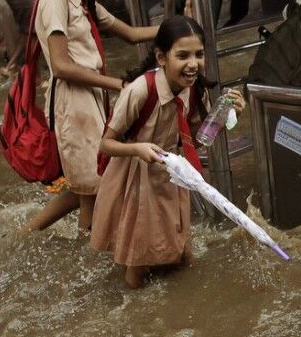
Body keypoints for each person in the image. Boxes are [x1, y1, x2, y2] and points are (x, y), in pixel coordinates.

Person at [23, 0, 163, 233]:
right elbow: (60, 66)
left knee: (85, 188)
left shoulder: (82, 0)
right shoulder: (54, 0)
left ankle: (22, 237)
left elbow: (131, 34)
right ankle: (94, 261)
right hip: (75, 103)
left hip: (91, 98)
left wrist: (178, 25)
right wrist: (116, 85)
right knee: (97, 189)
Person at [92, 15, 246, 288]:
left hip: (173, 176)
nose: (193, 64)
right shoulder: (141, 90)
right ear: (161, 58)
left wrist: (224, 115)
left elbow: (195, 141)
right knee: (137, 261)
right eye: (182, 55)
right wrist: (138, 148)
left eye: (199, 54)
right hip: (138, 179)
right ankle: (136, 313)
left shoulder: (194, 89)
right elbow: (105, 143)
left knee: (180, 252)